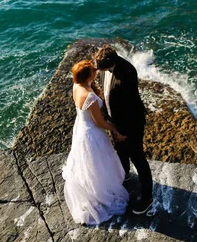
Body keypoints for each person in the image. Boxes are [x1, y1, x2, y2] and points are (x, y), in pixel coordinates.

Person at [62, 60, 129, 225]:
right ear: (88, 76)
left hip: (81, 129)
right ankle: (99, 191)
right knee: (98, 162)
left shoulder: (76, 86)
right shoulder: (90, 96)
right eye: (93, 70)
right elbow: (99, 122)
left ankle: (91, 185)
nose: (96, 70)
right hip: (92, 133)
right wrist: (115, 129)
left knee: (89, 163)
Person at [94, 44, 153, 215]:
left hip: (131, 125)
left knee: (139, 159)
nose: (98, 71)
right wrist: (109, 121)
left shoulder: (127, 74)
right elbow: (106, 94)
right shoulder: (106, 67)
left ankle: (147, 198)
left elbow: (131, 108)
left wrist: (123, 132)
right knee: (120, 151)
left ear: (110, 63)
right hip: (115, 122)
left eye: (100, 68)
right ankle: (125, 174)